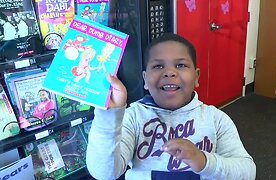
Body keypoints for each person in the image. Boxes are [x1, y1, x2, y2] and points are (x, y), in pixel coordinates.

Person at [86, 33, 256, 180]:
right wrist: (108, 116)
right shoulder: (132, 117)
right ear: (145, 79)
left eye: (180, 65)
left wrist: (203, 161)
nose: (169, 72)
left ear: (196, 77)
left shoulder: (216, 119)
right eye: (158, 66)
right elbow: (105, 173)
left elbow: (247, 172)